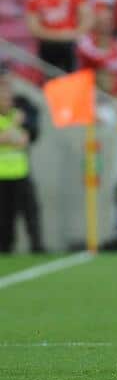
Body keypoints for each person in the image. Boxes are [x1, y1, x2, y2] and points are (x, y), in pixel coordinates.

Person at [0, 65, 44, 253]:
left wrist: (12, 136)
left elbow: (27, 137)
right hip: (2, 174)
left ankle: (37, 247)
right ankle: (5, 247)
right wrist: (13, 129)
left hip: (21, 170)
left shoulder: (23, 106)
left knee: (31, 212)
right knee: (4, 217)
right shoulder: (16, 117)